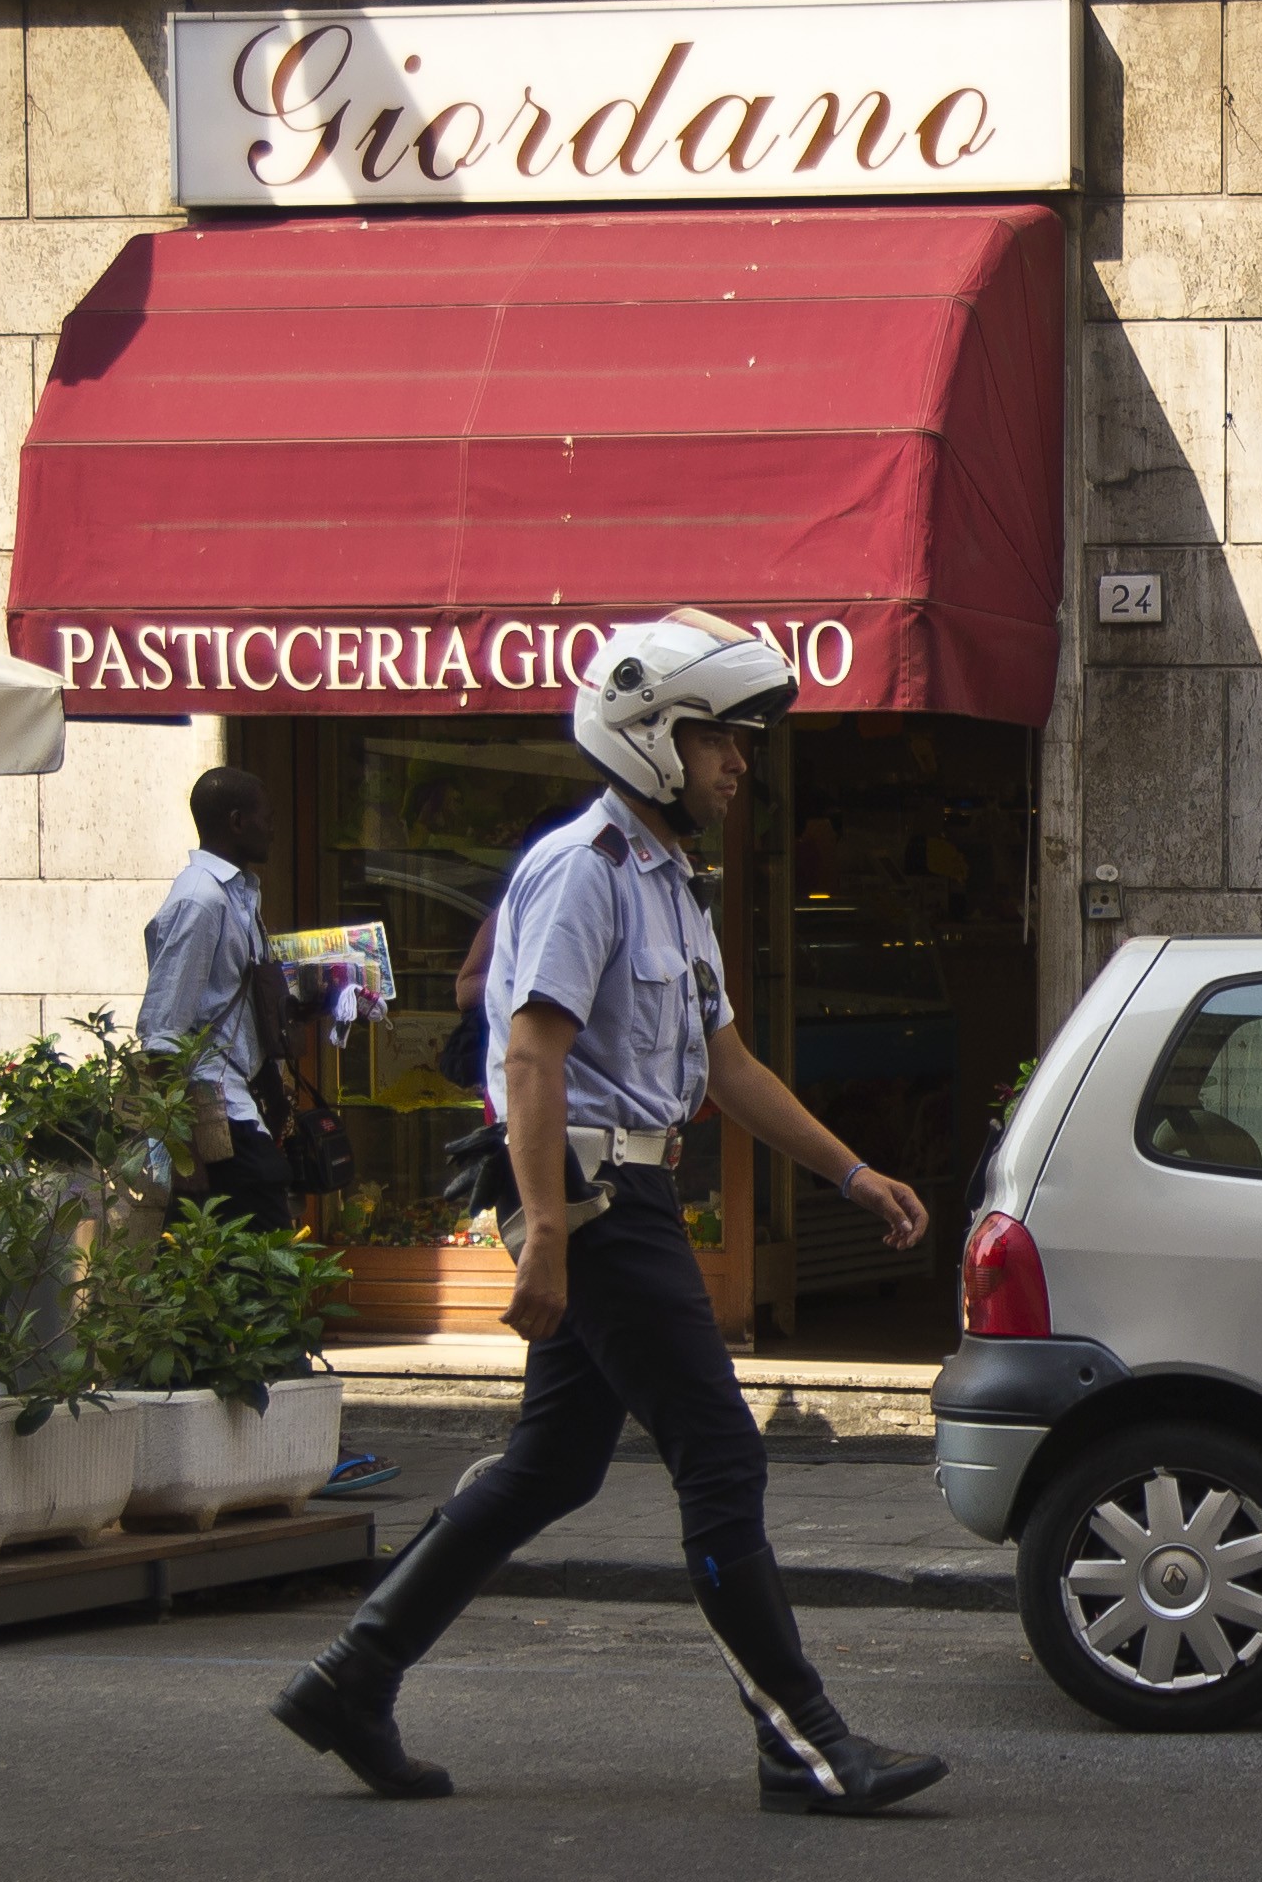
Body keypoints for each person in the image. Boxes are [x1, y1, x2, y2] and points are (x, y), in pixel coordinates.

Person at [272, 612, 948, 1816]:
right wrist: (542, 1235)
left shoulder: (674, 885)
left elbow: (729, 1068)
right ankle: (803, 1746)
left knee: (551, 1466)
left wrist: (852, 1174)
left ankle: (352, 1677)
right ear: (648, 737)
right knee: (722, 1451)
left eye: (743, 744)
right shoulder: (580, 870)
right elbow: (530, 1059)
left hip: (625, 1187)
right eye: (719, 742)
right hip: (593, 1198)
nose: (741, 764)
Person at [141, 767, 296, 1235]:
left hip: (238, 1106)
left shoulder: (237, 894)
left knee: (228, 1281)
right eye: (265, 817)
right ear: (236, 821)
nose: (273, 827)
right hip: (216, 1119)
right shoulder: (201, 900)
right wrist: (188, 1160)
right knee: (264, 1273)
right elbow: (162, 1035)